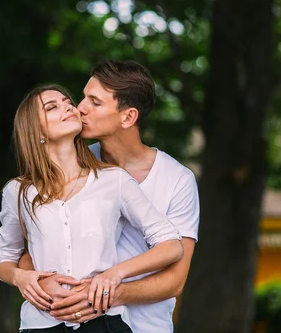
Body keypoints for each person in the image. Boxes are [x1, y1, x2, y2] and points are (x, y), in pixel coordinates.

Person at [18, 61, 200, 332]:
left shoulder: (177, 180)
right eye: (83, 97)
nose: (80, 108)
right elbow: (31, 248)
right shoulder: (70, 165)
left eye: (95, 102)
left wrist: (105, 293)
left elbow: (175, 280)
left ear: (128, 117)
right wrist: (33, 280)